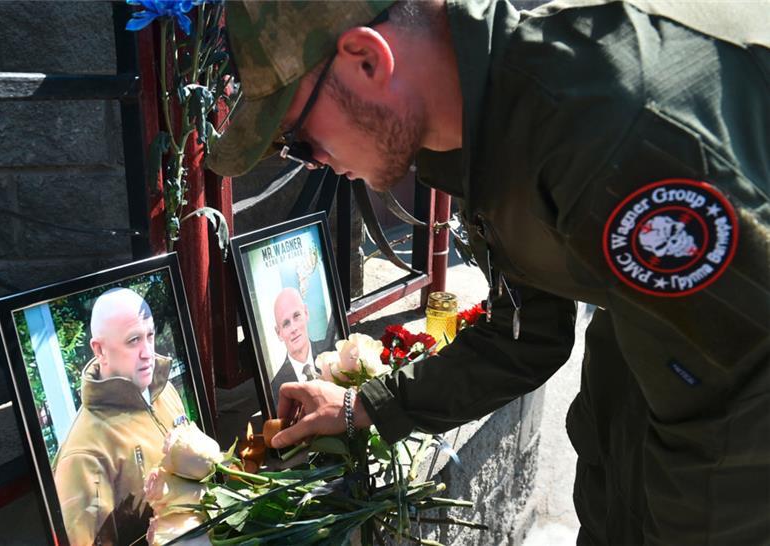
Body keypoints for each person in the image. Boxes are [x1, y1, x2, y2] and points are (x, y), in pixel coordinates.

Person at [207, 1, 769, 544]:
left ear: (369, 60)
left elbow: (734, 419)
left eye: (299, 140)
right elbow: (526, 335)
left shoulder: (610, 126)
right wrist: (367, 406)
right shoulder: (480, 127)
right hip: (642, 439)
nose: (314, 161)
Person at [52, 288, 187, 546]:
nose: (147, 352)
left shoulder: (163, 389)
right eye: (133, 340)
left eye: (150, 335)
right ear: (99, 350)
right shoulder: (83, 455)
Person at [270, 287, 331, 404]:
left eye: (296, 316)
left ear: (306, 313)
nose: (294, 328)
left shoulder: (333, 352)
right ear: (279, 333)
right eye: (286, 323)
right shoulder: (275, 390)